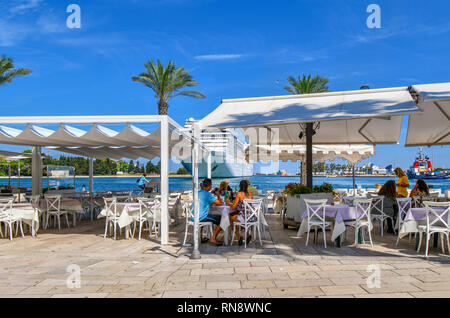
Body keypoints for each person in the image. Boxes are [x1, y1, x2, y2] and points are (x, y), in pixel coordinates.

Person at [226, 180, 253, 246]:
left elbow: (234, 206)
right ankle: (247, 235)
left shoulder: (239, 194)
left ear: (239, 186)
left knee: (230, 219)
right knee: (241, 219)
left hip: (243, 217)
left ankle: (239, 236)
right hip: (251, 217)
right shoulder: (250, 193)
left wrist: (228, 202)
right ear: (247, 186)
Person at [197, 178, 224, 246]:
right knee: (223, 220)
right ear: (209, 186)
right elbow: (219, 203)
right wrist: (218, 195)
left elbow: (207, 202)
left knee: (212, 216)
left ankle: (200, 238)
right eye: (211, 185)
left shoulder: (198, 192)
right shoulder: (207, 194)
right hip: (201, 217)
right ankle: (213, 238)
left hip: (194, 216)